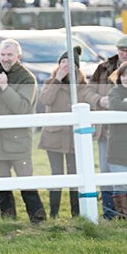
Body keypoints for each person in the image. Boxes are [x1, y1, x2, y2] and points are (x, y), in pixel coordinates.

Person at [0, 39, 47, 223]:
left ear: (18, 56)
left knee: (26, 183)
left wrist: (5, 88)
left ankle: (38, 219)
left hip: (18, 141)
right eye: (3, 55)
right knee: (2, 186)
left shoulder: (27, 78)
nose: (6, 59)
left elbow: (23, 108)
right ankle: (8, 220)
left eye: (10, 55)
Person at [83, 34, 127, 219]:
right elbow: (87, 90)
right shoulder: (103, 68)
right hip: (106, 130)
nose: (124, 54)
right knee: (106, 170)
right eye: (121, 50)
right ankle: (110, 213)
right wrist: (98, 100)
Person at [38, 47, 85, 219]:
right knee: (56, 174)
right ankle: (54, 214)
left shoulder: (81, 86)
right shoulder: (50, 83)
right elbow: (45, 100)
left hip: (73, 138)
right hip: (54, 136)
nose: (65, 66)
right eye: (62, 62)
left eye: (69, 63)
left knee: (74, 174)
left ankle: (76, 213)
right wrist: (57, 80)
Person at [106, 61, 127, 218]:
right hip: (118, 149)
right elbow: (116, 105)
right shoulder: (114, 92)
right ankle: (123, 218)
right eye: (124, 75)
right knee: (121, 186)